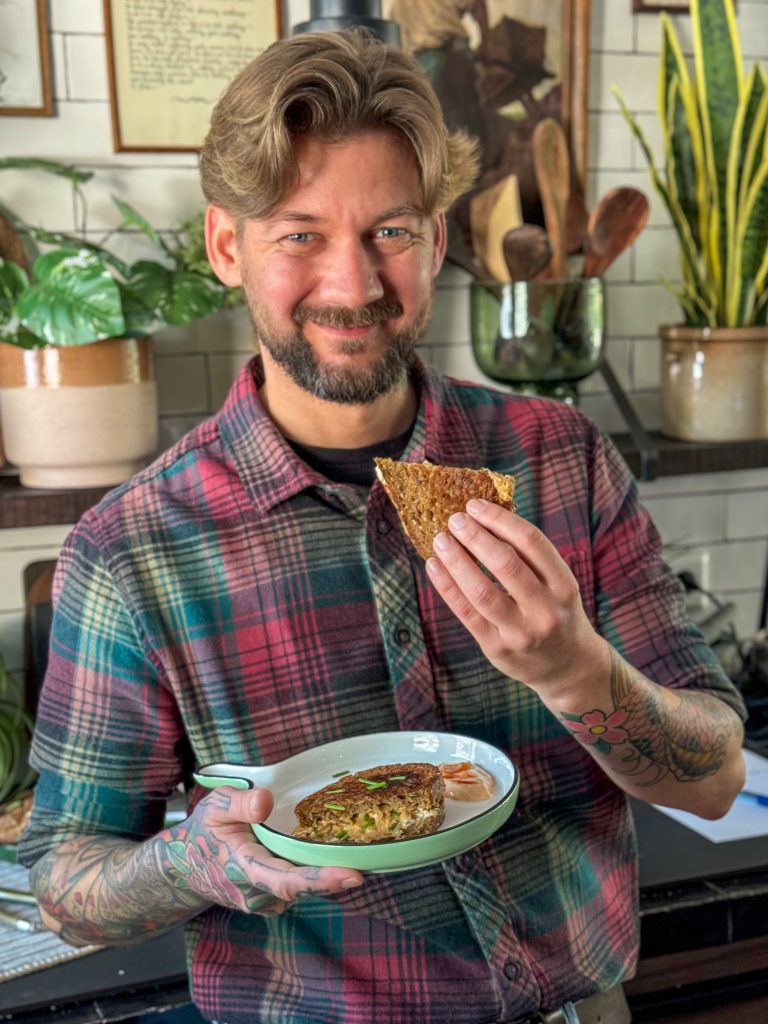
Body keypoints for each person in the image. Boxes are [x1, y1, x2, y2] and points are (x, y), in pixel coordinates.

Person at [19, 28, 746, 1024]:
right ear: (228, 246)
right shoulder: (134, 549)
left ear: (438, 241)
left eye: (391, 232)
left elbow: (714, 781)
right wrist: (199, 858)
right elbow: (66, 882)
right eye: (301, 234)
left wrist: (578, 671)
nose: (354, 285)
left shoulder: (560, 460)